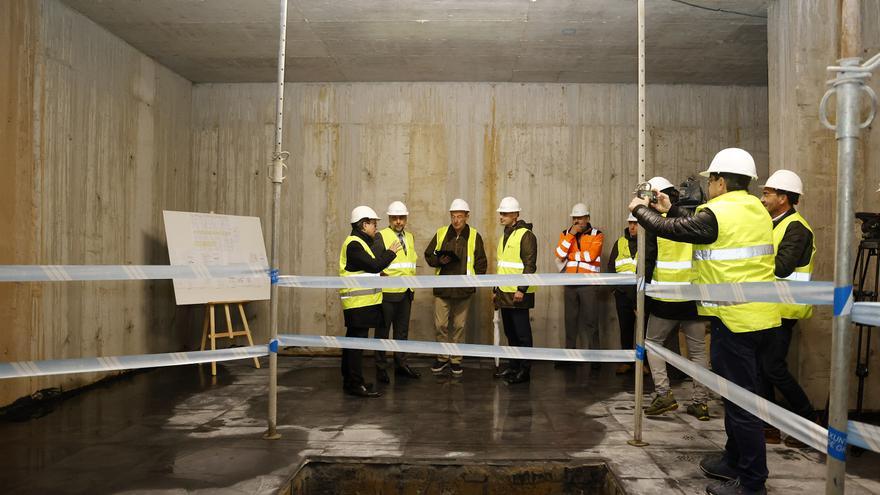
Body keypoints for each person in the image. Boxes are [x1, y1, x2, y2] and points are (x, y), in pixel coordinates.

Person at [629, 148, 780, 495]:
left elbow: (676, 229)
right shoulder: (754, 208)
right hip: (759, 315)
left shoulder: (720, 211)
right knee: (735, 395)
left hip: (736, 320)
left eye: (710, 180)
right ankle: (734, 459)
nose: (709, 186)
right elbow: (695, 222)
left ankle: (752, 482)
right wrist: (671, 209)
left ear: (720, 181)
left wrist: (639, 210)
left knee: (742, 403)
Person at [640, 176, 711, 421]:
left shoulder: (655, 223)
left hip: (666, 298)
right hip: (693, 297)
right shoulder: (694, 220)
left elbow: (648, 263)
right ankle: (700, 403)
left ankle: (663, 394)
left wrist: (643, 301)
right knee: (698, 351)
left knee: (653, 343)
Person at [758, 170, 816, 446]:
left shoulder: (797, 228)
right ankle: (770, 427)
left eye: (768, 193)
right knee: (762, 367)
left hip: (785, 308)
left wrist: (749, 262)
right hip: (769, 307)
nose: (763, 198)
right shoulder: (773, 223)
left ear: (783, 198)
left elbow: (782, 267)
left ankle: (807, 422)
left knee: (772, 367)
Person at [338, 205, 401, 398]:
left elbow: (365, 269)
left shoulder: (360, 243)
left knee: (352, 343)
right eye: (374, 224)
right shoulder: (355, 244)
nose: (376, 228)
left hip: (360, 303)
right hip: (358, 304)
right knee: (356, 346)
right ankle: (355, 385)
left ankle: (351, 381)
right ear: (364, 224)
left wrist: (377, 273)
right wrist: (390, 252)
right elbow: (373, 265)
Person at [424, 198, 488, 376]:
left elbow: (481, 263)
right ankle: (443, 357)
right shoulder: (441, 233)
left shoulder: (475, 236)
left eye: (460, 216)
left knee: (459, 326)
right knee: (440, 325)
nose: (456, 220)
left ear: (467, 216)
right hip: (442, 288)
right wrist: (439, 260)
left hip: (463, 290)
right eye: (453, 216)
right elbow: (429, 255)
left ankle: (456, 360)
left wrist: (475, 283)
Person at [373, 201, 421, 384]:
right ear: (389, 219)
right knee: (383, 332)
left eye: (401, 218)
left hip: (406, 292)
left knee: (402, 332)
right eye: (395, 218)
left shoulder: (409, 237)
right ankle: (381, 368)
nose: (398, 221)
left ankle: (401, 364)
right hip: (388, 293)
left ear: (406, 219)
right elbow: (376, 262)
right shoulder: (381, 236)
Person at [493, 196, 538, 384]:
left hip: (518, 293)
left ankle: (524, 370)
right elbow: (502, 265)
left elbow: (530, 264)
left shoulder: (525, 235)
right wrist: (496, 289)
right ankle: (513, 366)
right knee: (510, 333)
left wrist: (521, 289)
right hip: (504, 292)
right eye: (501, 213)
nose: (501, 216)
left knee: (522, 334)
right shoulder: (506, 234)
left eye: (504, 213)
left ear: (515, 215)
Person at [554, 202, 604, 365]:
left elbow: (591, 255)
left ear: (587, 218)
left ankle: (595, 358)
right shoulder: (565, 234)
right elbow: (560, 254)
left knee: (591, 322)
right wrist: (571, 235)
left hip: (589, 284)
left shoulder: (597, 234)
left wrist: (572, 256)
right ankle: (569, 357)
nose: (577, 222)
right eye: (575, 218)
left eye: (580, 218)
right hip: (570, 284)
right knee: (570, 322)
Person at [608, 213, 638, 374]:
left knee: (644, 331)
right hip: (623, 294)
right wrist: (615, 289)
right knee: (625, 328)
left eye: (636, 223)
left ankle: (643, 363)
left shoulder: (648, 243)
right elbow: (611, 266)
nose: (632, 227)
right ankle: (627, 362)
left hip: (641, 294)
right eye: (630, 223)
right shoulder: (620, 243)